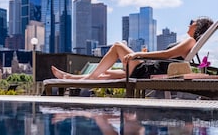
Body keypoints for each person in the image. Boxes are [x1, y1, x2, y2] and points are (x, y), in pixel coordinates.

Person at [52, 17, 213, 80]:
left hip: (148, 70)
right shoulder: (192, 44)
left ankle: (87, 79)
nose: (189, 23)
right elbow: (168, 57)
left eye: (192, 21)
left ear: (198, 26)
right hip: (149, 69)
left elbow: (167, 54)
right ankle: (70, 77)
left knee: (117, 46)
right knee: (106, 73)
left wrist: (137, 55)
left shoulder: (190, 41)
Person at [51, 110, 145, 135]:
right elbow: (97, 116)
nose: (121, 129)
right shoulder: (131, 116)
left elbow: (97, 116)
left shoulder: (127, 117)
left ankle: (71, 78)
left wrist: (70, 113)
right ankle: (72, 78)